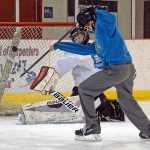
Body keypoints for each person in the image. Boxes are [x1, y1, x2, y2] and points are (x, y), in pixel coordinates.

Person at [54, 7, 150, 141]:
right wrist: (59, 46)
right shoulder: (98, 40)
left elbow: (111, 18)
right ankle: (147, 130)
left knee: (84, 89)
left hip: (116, 69)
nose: (87, 28)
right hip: (126, 69)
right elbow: (83, 49)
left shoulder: (105, 26)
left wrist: (94, 11)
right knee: (126, 100)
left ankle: (92, 126)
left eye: (87, 25)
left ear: (92, 20)